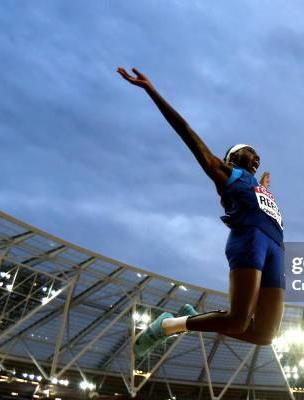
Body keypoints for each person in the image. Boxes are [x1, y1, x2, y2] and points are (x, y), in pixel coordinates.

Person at [117, 67, 285, 362]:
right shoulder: (225, 173)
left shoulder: (258, 187)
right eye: (250, 152)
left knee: (265, 336)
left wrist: (264, 186)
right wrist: (151, 90)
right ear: (231, 158)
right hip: (250, 242)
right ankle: (168, 325)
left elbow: (260, 198)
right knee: (237, 321)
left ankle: (190, 318)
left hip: (277, 247)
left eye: (258, 155)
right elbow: (186, 131)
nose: (257, 156)